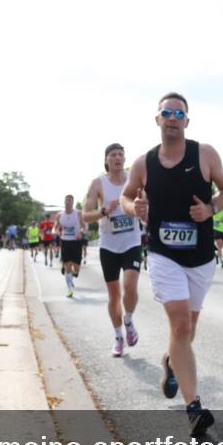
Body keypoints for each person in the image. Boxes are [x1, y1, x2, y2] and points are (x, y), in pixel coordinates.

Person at [120, 92, 223, 436]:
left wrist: (210, 209)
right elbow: (126, 196)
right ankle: (194, 408)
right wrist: (134, 208)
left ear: (187, 121)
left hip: (200, 257)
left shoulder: (205, 154)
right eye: (166, 112)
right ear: (157, 119)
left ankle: (171, 361)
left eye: (179, 113)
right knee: (181, 326)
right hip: (163, 254)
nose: (172, 117)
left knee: (187, 331)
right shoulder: (144, 163)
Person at [82, 143, 142, 357]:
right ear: (106, 160)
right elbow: (85, 215)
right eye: (113, 155)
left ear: (124, 159)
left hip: (132, 242)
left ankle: (128, 320)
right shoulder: (98, 183)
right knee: (114, 295)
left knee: (130, 286)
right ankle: (118, 337)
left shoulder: (133, 179)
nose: (117, 158)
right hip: (108, 245)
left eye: (120, 155)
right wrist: (104, 211)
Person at [55, 195, 83, 298]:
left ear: (72, 202)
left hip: (76, 242)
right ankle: (69, 290)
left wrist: (81, 233)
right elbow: (55, 227)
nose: (68, 201)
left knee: (76, 268)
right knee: (68, 266)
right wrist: (56, 232)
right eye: (66, 200)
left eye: (70, 200)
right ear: (64, 202)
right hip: (65, 242)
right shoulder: (59, 215)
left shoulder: (78, 214)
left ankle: (74, 273)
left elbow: (84, 226)